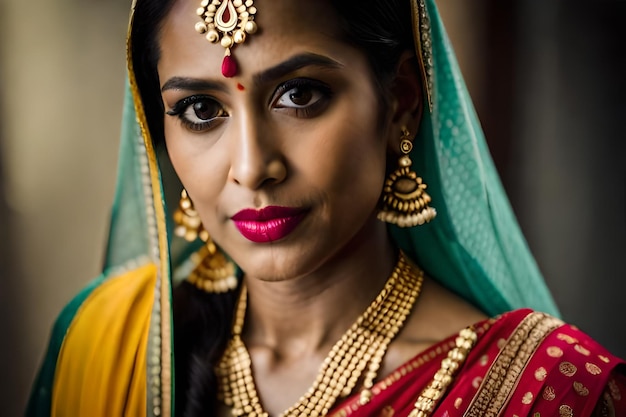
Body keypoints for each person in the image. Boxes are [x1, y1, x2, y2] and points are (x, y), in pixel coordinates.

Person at [26, 0, 625, 416]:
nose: (252, 165)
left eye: (299, 95)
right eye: (201, 111)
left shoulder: (551, 392)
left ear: (400, 105)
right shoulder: (113, 348)